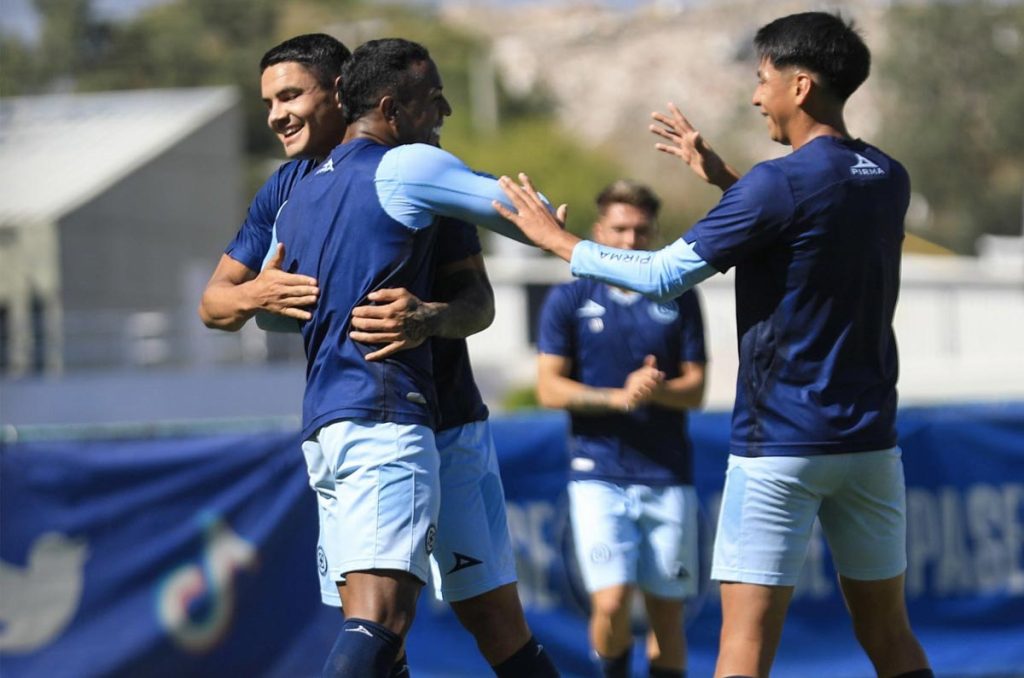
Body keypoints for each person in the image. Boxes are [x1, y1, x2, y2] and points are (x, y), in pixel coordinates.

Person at [493, 11, 933, 678]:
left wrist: (561, 244)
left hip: (782, 445)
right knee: (888, 634)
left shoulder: (776, 183)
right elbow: (811, 232)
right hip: (870, 444)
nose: (757, 97)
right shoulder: (888, 176)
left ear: (801, 85)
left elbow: (665, 272)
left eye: (763, 80)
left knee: (744, 646)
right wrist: (730, 183)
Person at [198, 35, 557, 678]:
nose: (277, 114)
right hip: (374, 419)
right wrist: (256, 293)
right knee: (376, 624)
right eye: (269, 102)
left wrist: (428, 318)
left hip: (447, 426)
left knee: (495, 628)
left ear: (341, 92)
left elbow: (477, 302)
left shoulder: (419, 169)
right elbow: (213, 304)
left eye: (290, 96)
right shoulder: (286, 189)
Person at [536, 181, 706, 678]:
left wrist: (654, 390)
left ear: (655, 233)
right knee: (610, 603)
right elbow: (549, 388)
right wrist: (618, 397)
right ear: (598, 232)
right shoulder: (569, 299)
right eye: (620, 229)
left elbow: (695, 388)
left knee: (667, 613)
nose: (630, 240)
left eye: (641, 230)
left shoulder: (679, 296)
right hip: (598, 472)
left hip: (667, 474)